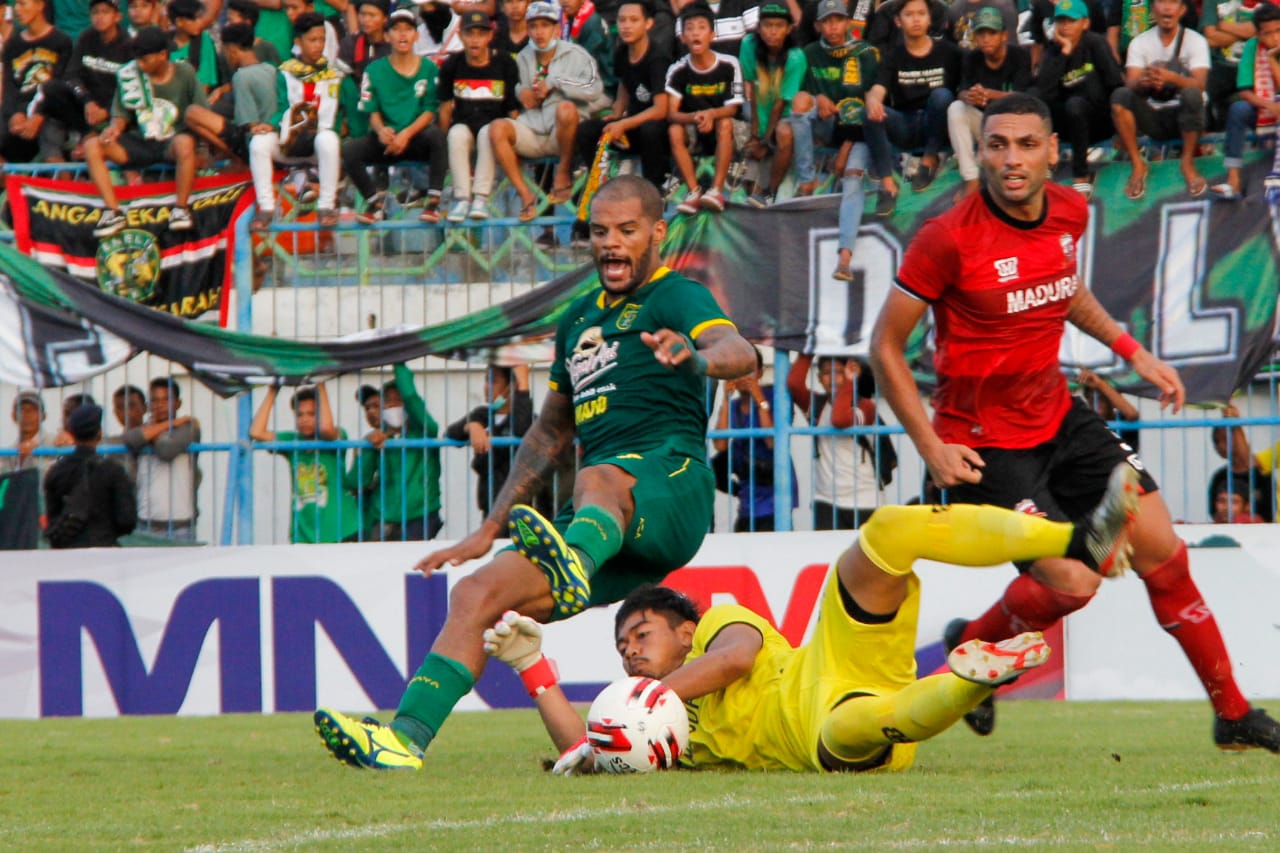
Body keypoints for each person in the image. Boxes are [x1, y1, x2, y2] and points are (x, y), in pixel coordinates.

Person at [869, 92, 1280, 752]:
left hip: (1061, 418)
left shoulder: (1071, 210)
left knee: (1163, 554)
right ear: (980, 151)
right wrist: (931, 445)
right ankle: (970, 644)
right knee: (1075, 583)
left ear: (1053, 150)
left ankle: (1232, 713)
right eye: (996, 144)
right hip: (985, 447)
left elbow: (1064, 289)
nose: (1010, 159)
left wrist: (1133, 351)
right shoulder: (947, 238)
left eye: (1026, 145)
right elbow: (884, 345)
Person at [313, 175, 757, 770]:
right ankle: (405, 739)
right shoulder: (575, 322)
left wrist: (696, 358)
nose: (610, 244)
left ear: (657, 233)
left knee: (596, 476)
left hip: (669, 486)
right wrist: (487, 528)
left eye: (627, 231)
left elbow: (741, 352)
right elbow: (549, 432)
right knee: (478, 592)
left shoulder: (675, 296)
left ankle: (573, 559)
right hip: (605, 527)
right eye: (599, 232)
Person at [489, 487, 1138, 773]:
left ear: (686, 628)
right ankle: (967, 685)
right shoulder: (656, 732)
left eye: (641, 632)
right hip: (828, 730)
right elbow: (586, 749)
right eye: (622, 646)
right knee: (850, 727)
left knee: (886, 533)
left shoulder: (717, 625)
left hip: (829, 656)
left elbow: (740, 659)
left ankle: (1077, 535)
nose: (629, 650)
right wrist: (532, 666)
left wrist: (651, 699)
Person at [790, 0, 897, 272]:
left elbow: (869, 111)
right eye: (826, 21)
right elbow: (801, 98)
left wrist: (846, 150)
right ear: (817, 25)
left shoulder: (866, 53)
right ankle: (806, 179)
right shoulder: (810, 53)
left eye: (838, 19)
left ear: (849, 22)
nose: (833, 26)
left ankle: (845, 257)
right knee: (801, 100)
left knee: (852, 177)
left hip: (860, 132)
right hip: (826, 126)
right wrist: (818, 96)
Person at [487, 0, 607, 223]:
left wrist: (557, 82)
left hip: (562, 134)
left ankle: (563, 173)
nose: (539, 32)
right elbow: (519, 89)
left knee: (566, 109)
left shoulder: (577, 54)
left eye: (545, 25)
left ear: (557, 28)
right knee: (496, 129)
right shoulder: (523, 56)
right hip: (533, 127)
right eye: (533, 26)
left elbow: (595, 88)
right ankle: (525, 195)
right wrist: (521, 91)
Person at [86, 27, 207, 238]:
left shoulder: (184, 72)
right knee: (92, 145)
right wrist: (114, 129)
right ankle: (113, 211)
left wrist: (205, 148)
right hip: (141, 142)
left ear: (162, 55)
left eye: (145, 60)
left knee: (185, 142)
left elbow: (201, 111)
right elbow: (120, 114)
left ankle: (180, 209)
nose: (140, 65)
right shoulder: (130, 74)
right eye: (138, 60)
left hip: (173, 143)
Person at [341, 3, 448, 224]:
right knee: (350, 149)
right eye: (396, 29)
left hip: (415, 136)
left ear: (416, 36)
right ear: (387, 36)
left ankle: (433, 203)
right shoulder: (374, 70)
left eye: (408, 29)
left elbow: (430, 110)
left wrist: (406, 134)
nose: (402, 34)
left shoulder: (428, 68)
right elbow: (372, 110)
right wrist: (381, 131)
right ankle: (374, 204)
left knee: (438, 137)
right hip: (387, 139)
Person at [246, 12, 344, 229]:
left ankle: (326, 206)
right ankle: (266, 208)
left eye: (322, 40)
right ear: (298, 42)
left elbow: (344, 114)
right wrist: (270, 125)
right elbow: (282, 108)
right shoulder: (286, 73)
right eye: (312, 40)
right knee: (259, 144)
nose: (318, 45)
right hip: (291, 141)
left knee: (328, 139)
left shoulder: (335, 75)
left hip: (319, 145)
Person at [1110, 0, 1211, 201]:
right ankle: (1138, 164)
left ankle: (1187, 162)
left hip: (1187, 117)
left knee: (1192, 93)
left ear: (1182, 10)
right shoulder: (1139, 42)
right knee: (1120, 96)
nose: (1166, 8)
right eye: (1161, 2)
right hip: (1154, 116)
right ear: (1152, 9)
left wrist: (1172, 78)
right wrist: (1145, 82)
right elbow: (1131, 82)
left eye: (1173, 3)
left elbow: (1200, 84)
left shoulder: (1196, 41)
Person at [573, 0, 672, 194]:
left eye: (634, 20)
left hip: (658, 128)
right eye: (622, 20)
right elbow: (624, 84)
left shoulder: (658, 58)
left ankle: (655, 191)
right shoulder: (621, 52)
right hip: (631, 125)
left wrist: (624, 124)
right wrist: (617, 114)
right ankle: (599, 185)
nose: (626, 26)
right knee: (587, 130)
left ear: (648, 23)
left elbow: (661, 109)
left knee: (650, 130)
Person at [864, 0, 961, 194]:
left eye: (921, 14)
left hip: (937, 124)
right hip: (905, 123)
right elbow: (878, 88)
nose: (916, 20)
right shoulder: (893, 56)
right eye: (909, 15)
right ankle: (887, 181)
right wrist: (873, 101)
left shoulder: (949, 52)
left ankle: (929, 159)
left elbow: (964, 85)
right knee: (867, 112)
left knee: (942, 96)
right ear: (898, 22)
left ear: (929, 19)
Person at [1029, 0, 1124, 197]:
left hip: (1098, 120)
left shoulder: (1096, 43)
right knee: (1035, 98)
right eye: (1061, 21)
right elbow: (1044, 92)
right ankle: (1043, 162)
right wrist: (1063, 54)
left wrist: (1118, 129)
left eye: (1071, 21)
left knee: (1076, 104)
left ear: (1085, 23)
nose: (1065, 26)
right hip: (1068, 122)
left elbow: (1115, 83)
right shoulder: (1053, 50)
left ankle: (1081, 175)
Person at [249, 382, 363, 543]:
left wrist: (321, 385)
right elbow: (256, 432)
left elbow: (325, 428)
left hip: (340, 529)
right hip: (303, 532)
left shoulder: (336, 436)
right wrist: (272, 391)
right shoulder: (293, 441)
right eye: (300, 415)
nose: (305, 419)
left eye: (312, 414)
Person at [438, 10, 521, 222]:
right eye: (470, 33)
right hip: (464, 125)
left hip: (494, 129)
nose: (475, 40)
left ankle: (481, 198)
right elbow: (446, 107)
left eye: (481, 34)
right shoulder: (451, 65)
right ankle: (463, 198)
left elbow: (512, 106)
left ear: (490, 36)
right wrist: (442, 138)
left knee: (488, 132)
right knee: (455, 134)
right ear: (460, 35)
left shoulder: (505, 63)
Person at [788, 354, 887, 529]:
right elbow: (794, 384)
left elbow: (840, 419)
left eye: (840, 372)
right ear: (818, 378)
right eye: (826, 372)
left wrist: (849, 383)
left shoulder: (865, 407)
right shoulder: (818, 406)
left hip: (864, 500)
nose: (833, 378)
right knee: (828, 556)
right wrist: (808, 348)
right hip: (826, 500)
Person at [346, 363, 443, 541]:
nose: (393, 405)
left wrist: (398, 360)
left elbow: (411, 395)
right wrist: (368, 448)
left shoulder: (425, 431)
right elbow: (357, 482)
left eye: (399, 400)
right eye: (388, 401)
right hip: (381, 518)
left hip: (419, 516)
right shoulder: (378, 439)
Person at [667, 2, 747, 215]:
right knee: (674, 130)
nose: (695, 33)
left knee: (725, 123)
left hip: (728, 127)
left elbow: (733, 108)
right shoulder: (677, 69)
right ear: (682, 37)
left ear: (712, 35)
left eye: (701, 27)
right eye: (690, 28)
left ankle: (716, 191)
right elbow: (671, 112)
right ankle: (693, 191)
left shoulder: (730, 64)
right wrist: (695, 117)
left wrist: (711, 114)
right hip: (695, 126)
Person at [946, 6, 1031, 199]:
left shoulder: (1019, 56)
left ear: (1003, 35)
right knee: (956, 108)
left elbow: (1025, 97)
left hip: (1013, 127)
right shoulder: (972, 58)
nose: (985, 39)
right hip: (984, 125)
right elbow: (961, 91)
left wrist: (991, 95)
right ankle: (971, 177)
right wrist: (969, 96)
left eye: (991, 33)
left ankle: (985, 165)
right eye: (981, 33)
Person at [712, 345, 796, 531]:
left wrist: (760, 400)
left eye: (749, 370)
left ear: (760, 372)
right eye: (738, 370)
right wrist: (725, 399)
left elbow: (772, 441)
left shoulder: (777, 397)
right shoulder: (733, 406)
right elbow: (720, 445)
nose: (743, 376)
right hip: (748, 496)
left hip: (776, 496)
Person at [35, 0, 131, 163]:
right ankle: (87, 133)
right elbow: (71, 75)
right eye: (95, 13)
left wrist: (106, 111)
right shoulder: (87, 37)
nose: (100, 17)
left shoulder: (128, 44)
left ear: (117, 17)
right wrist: (87, 101)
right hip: (87, 103)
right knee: (51, 88)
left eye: (105, 12)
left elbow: (128, 87)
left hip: (114, 106)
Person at [1209, 3, 1280, 201]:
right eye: (1268, 34)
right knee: (1238, 110)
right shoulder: (1252, 47)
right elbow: (1245, 91)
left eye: (1279, 31)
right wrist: (1269, 105)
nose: (1275, 38)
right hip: (1266, 109)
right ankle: (1233, 180)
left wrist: (1273, 59)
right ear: (1257, 35)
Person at [445, 363, 536, 515]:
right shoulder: (483, 415)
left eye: (493, 381)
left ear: (511, 386)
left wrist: (524, 386)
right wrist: (472, 426)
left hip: (521, 508)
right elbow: (450, 433)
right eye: (486, 380)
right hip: (490, 506)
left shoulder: (527, 418)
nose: (487, 386)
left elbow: (521, 430)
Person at [736, 3, 803, 209]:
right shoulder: (749, 44)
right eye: (767, 25)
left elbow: (781, 103)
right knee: (742, 133)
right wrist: (756, 134)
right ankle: (738, 189)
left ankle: (770, 192)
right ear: (758, 27)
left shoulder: (796, 57)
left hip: (785, 112)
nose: (772, 32)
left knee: (782, 133)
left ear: (788, 28)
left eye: (778, 25)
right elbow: (753, 90)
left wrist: (765, 140)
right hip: (758, 106)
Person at [43, 403, 137, 548]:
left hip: (67, 552)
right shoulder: (113, 471)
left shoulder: (56, 471)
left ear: (72, 433)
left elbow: (52, 518)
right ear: (99, 433)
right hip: (104, 548)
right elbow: (127, 520)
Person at [183, 21, 279, 163]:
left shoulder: (241, 76)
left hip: (256, 142)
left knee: (192, 113)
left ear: (231, 50)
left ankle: (235, 159)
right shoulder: (270, 69)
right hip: (276, 136)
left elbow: (250, 123)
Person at [121, 376, 201, 542]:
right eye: (155, 400)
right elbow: (129, 439)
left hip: (180, 524)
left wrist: (150, 433)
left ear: (178, 403)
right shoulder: (147, 428)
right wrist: (171, 423)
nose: (160, 405)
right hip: (145, 522)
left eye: (167, 399)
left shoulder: (188, 427)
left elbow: (166, 451)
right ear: (149, 405)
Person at [0, 0, 74, 164]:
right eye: (16, 5)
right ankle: (15, 186)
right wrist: (15, 115)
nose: (17, 10)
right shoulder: (13, 45)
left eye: (23, 4)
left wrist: (39, 116)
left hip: (50, 109)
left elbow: (60, 85)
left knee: (51, 146)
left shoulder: (62, 41)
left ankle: (67, 188)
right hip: (21, 109)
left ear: (40, 5)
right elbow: (10, 88)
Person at [1207, 403, 1274, 522]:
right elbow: (1214, 515)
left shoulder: (1263, 474)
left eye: (1225, 439)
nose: (1221, 446)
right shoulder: (1219, 477)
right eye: (1216, 442)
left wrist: (1235, 423)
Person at [336, 0, 390, 139]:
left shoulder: (392, 46)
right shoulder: (349, 43)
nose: (366, 20)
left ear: (385, 18)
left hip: (384, 98)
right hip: (356, 99)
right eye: (363, 14)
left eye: (372, 15)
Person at [3, 390, 54, 475]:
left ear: (43, 416)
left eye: (33, 410)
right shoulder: (8, 453)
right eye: (22, 409)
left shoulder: (55, 443)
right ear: (13, 416)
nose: (27, 415)